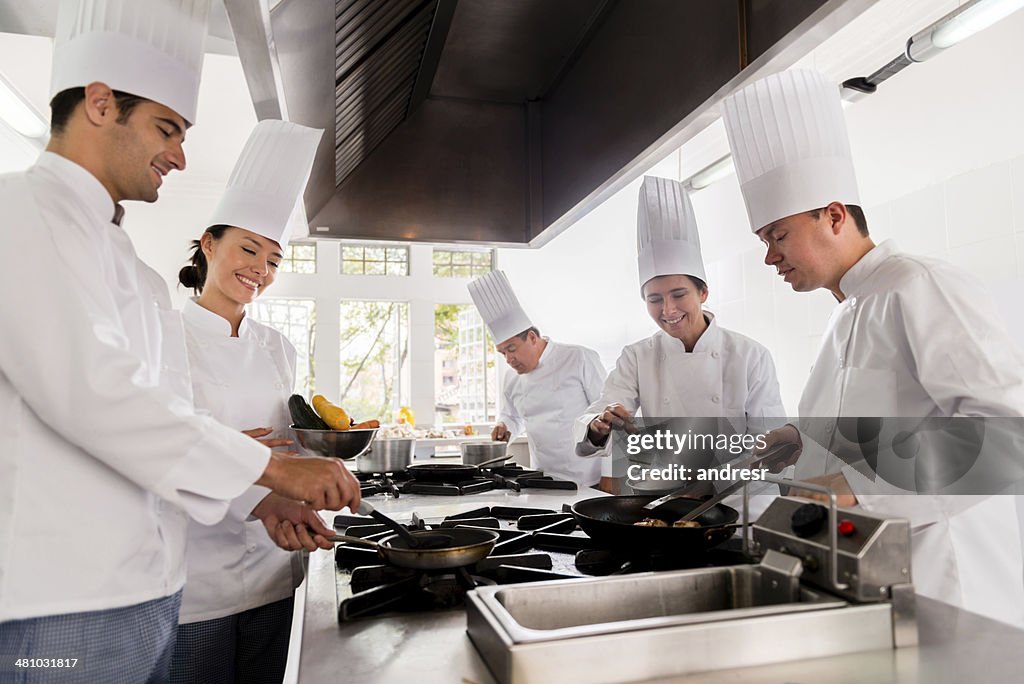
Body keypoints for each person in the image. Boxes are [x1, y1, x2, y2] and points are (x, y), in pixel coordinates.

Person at [0, 2, 359, 680]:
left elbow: (166, 424)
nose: (181, 154)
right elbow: (97, 393)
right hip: (62, 601)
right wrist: (276, 470)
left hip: (144, 592)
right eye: (168, 127)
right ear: (101, 104)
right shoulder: (20, 211)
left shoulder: (126, 265)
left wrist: (263, 500)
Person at [722, 68, 1024, 626]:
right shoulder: (846, 317)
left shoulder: (920, 284)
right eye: (764, 241)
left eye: (777, 235)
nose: (769, 258)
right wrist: (798, 439)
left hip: (950, 589)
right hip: (876, 588)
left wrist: (855, 488)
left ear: (834, 215)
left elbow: (1003, 436)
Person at [168, 120, 327, 683]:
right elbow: (165, 449)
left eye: (274, 260)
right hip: (195, 576)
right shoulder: (163, 334)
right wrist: (262, 495)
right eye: (248, 249)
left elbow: (284, 443)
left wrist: (317, 469)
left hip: (274, 564)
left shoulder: (278, 347)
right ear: (209, 244)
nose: (260, 269)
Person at [574, 176, 785, 499]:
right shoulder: (637, 356)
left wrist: (710, 486)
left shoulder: (749, 355)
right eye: (654, 299)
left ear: (703, 292)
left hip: (741, 502)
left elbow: (767, 446)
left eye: (678, 294)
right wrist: (599, 425)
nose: (668, 310)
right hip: (668, 500)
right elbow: (601, 412)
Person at [468, 270, 609, 488]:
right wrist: (504, 427)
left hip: (589, 481)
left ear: (532, 338)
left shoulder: (578, 358)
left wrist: (610, 477)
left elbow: (610, 419)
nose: (508, 359)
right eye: (502, 353)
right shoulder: (512, 378)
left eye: (511, 349)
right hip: (541, 480)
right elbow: (513, 417)